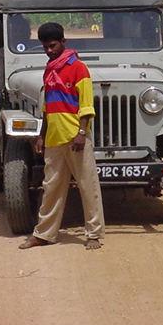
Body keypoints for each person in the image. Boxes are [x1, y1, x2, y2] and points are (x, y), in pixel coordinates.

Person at [19, 22, 105, 250]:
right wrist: (41, 135)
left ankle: (94, 234)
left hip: (76, 138)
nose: (49, 50)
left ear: (63, 42)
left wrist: (81, 132)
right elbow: (47, 108)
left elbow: (86, 106)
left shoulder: (79, 68)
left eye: (53, 46)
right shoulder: (50, 70)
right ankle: (44, 234)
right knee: (51, 187)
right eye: (45, 47)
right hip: (54, 139)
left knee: (88, 186)